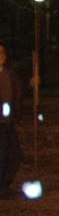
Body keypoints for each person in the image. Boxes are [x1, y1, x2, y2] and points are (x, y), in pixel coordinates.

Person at [0, 43, 22, 197]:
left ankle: (4, 184)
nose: (0, 55)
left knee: (14, 152)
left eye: (2, 52)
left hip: (7, 120)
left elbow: (17, 92)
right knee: (3, 152)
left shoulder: (9, 73)